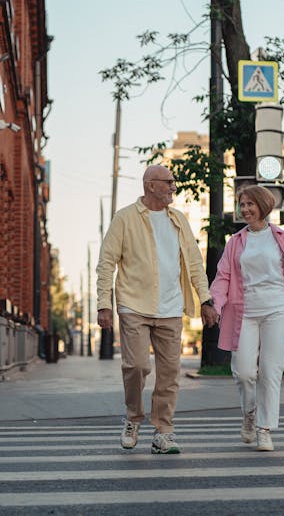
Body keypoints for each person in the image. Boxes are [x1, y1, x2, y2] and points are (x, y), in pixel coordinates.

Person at [96, 164, 212, 454]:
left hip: (171, 308)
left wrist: (206, 299)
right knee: (136, 366)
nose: (174, 187)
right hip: (133, 304)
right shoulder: (124, 218)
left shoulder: (179, 220)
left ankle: (163, 430)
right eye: (169, 182)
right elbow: (106, 263)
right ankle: (133, 417)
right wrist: (103, 304)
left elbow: (195, 264)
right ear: (151, 185)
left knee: (170, 372)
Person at [203, 184, 284, 452]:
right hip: (244, 310)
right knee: (243, 372)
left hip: (278, 308)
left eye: (249, 204)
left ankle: (264, 428)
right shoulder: (235, 242)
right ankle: (249, 412)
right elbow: (223, 277)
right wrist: (214, 303)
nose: (244, 209)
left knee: (270, 370)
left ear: (263, 206)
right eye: (242, 205)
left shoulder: (282, 238)